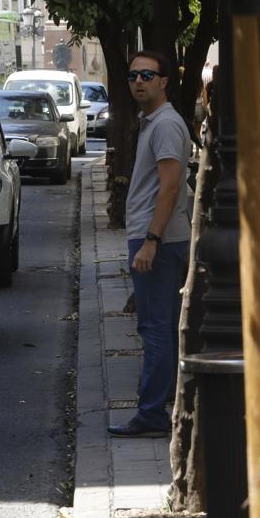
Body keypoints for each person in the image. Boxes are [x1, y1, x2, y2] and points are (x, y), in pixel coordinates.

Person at [108, 50, 191, 439]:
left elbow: (170, 186)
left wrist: (151, 241)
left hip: (157, 239)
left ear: (163, 82)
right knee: (159, 326)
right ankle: (161, 407)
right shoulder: (152, 123)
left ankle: (153, 412)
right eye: (132, 76)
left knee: (155, 327)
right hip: (153, 236)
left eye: (147, 75)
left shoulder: (165, 126)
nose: (138, 81)